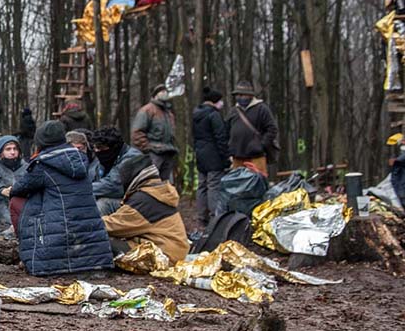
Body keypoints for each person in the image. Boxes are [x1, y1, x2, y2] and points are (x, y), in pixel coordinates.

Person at [5, 120, 112, 276]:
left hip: (58, 239)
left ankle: (29, 250)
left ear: (40, 141)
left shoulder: (42, 165)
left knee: (16, 201)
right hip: (92, 248)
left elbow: (18, 189)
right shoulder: (80, 159)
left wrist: (9, 190)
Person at [103, 154, 189, 264]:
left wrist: (88, 222)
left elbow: (115, 225)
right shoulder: (154, 191)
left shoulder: (145, 199)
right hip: (172, 250)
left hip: (165, 255)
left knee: (102, 243)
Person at [192, 87, 230, 228]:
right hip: (213, 156)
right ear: (215, 101)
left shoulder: (196, 114)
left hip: (200, 154)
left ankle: (201, 217)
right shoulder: (214, 115)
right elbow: (221, 137)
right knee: (214, 186)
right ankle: (215, 217)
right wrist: (226, 157)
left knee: (202, 186)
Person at [227, 80, 279, 176]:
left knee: (257, 181)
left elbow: (272, 129)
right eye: (237, 95)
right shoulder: (233, 111)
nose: (239, 97)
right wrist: (230, 148)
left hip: (256, 156)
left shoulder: (262, 109)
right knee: (237, 182)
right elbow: (227, 130)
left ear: (250, 95)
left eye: (242, 95)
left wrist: (260, 145)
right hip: (237, 156)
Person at [130, 84, 178, 182]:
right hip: (153, 154)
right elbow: (137, 133)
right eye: (161, 91)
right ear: (155, 95)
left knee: (166, 184)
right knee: (151, 181)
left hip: (168, 152)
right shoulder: (147, 110)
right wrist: (148, 148)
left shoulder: (168, 113)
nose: (164, 93)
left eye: (165, 91)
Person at [89, 126, 141, 215]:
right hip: (122, 199)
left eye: (100, 148)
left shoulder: (132, 158)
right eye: (95, 148)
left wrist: (83, 189)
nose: (97, 151)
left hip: (137, 202)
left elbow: (113, 185)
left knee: (102, 204)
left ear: (114, 147)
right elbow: (93, 176)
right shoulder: (106, 159)